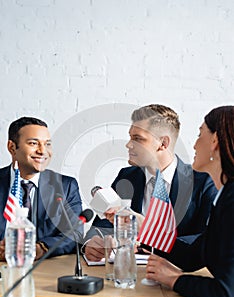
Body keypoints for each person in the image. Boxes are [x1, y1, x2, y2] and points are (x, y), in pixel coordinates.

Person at [83, 104, 217, 261]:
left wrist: (149, 234)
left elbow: (204, 241)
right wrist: (92, 243)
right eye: (130, 137)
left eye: (138, 138)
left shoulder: (204, 183)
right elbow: (101, 225)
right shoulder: (126, 177)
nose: (128, 144)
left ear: (163, 144)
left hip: (177, 274)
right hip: (129, 273)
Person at [145, 106, 234, 297]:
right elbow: (194, 256)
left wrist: (175, 279)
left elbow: (227, 295)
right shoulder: (224, 198)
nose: (194, 145)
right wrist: (146, 229)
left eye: (199, 134)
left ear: (214, 142)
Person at [0, 116, 83, 261]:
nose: (42, 151)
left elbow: (74, 234)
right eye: (33, 143)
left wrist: (40, 248)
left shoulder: (66, 186)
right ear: (12, 147)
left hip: (45, 269)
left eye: (47, 144)